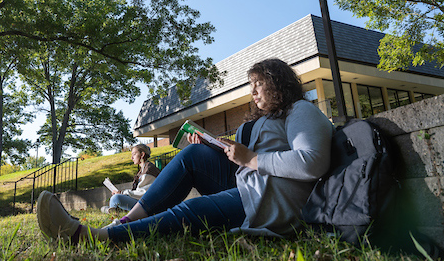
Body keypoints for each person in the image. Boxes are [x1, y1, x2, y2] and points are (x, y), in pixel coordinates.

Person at [36, 58, 334, 244]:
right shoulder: (261, 120)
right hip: (247, 182)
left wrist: (253, 159)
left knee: (191, 211)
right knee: (192, 156)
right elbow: (245, 161)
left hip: (269, 199)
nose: (253, 91)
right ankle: (128, 219)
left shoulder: (300, 110)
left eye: (259, 84)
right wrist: (220, 149)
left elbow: (313, 161)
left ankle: (97, 237)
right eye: (250, 85)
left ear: (277, 83)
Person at [100, 143, 160, 215]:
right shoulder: (143, 169)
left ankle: (115, 212)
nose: (132, 158)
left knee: (116, 198)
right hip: (141, 202)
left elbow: (142, 193)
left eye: (134, 154)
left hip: (147, 205)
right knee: (114, 199)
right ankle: (115, 210)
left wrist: (122, 193)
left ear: (142, 155)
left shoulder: (149, 170)